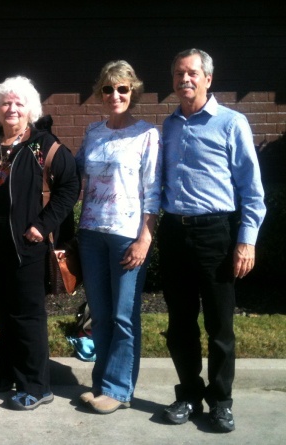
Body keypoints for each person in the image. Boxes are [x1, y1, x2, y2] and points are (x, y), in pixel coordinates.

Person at [159, 49, 266, 433]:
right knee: (180, 325)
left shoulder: (231, 123)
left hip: (215, 235)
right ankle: (189, 394)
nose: (184, 79)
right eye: (178, 73)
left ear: (208, 79)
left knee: (220, 326)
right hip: (174, 233)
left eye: (192, 73)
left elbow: (252, 191)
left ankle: (221, 402)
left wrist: (246, 241)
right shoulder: (169, 125)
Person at [0, 76, 80, 410]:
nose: (12, 108)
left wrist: (42, 225)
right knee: (4, 312)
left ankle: (37, 385)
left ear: (30, 109)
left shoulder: (41, 145)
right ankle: (7, 372)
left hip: (26, 246)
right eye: (5, 102)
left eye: (19, 103)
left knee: (27, 315)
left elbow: (70, 186)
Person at [75, 61, 162, 414]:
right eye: (108, 89)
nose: (115, 95)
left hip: (127, 237)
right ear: (100, 93)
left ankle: (118, 389)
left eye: (122, 89)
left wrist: (145, 239)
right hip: (91, 233)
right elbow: (72, 172)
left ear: (133, 92)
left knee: (124, 316)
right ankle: (101, 384)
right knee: (100, 313)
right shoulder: (92, 133)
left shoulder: (147, 134)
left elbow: (153, 192)